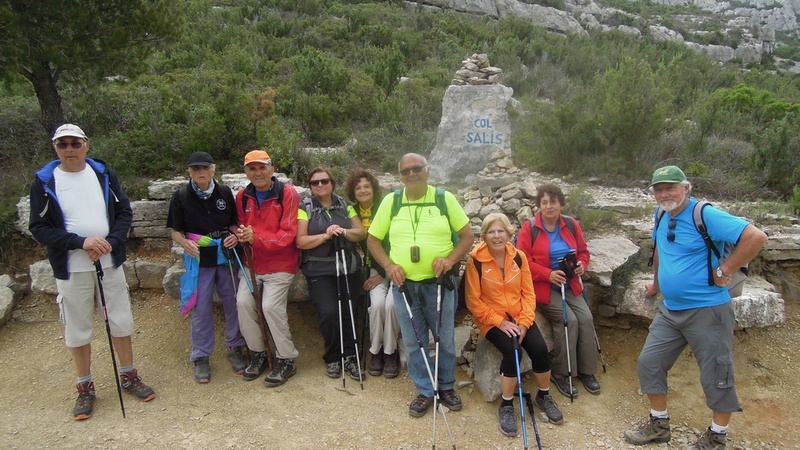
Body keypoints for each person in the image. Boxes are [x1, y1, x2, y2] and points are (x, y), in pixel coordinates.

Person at [624, 166, 768, 449]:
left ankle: (717, 437)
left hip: (708, 310)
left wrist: (726, 268)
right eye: (658, 189)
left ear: (686, 188)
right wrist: (656, 284)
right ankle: (659, 425)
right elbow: (660, 253)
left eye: (670, 188)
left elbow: (757, 237)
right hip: (671, 309)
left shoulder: (705, 214)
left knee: (717, 374)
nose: (664, 194)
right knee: (649, 362)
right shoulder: (661, 213)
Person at [29, 124, 155, 420]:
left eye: (75, 143)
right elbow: (39, 228)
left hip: (109, 262)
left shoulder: (102, 174)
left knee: (120, 320)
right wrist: (79, 242)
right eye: (63, 145)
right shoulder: (45, 181)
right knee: (77, 326)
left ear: (86, 144)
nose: (69, 149)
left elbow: (123, 211)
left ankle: (128, 375)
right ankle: (85, 387)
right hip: (71, 266)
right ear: (55, 148)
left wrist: (110, 242)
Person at [367, 153, 473, 418]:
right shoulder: (392, 202)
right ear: (400, 176)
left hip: (439, 284)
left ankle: (446, 386)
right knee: (414, 342)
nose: (411, 174)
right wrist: (390, 266)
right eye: (405, 171)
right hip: (404, 287)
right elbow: (373, 241)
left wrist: (449, 260)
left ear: (427, 171)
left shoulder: (443, 199)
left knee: (445, 340)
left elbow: (468, 236)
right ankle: (425, 390)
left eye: (417, 169)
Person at [465, 213, 564, 436]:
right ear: (484, 236)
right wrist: (499, 322)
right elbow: (473, 301)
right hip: (491, 319)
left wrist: (525, 322)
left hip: (519, 317)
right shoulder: (475, 260)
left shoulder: (519, 257)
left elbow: (528, 294)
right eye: (491, 231)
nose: (497, 236)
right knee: (513, 351)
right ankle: (507, 405)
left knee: (539, 349)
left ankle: (544, 395)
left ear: (510, 234)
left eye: (501, 231)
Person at [167, 151, 247, 384]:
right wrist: (184, 243)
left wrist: (234, 236)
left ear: (213, 170)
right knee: (201, 306)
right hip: (200, 254)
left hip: (225, 252)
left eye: (204, 168)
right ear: (189, 172)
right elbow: (174, 230)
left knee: (232, 301)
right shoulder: (181, 196)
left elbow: (233, 222)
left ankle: (235, 347)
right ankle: (201, 356)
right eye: (195, 168)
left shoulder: (223, 192)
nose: (200, 172)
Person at [515, 183, 599, 399]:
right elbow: (522, 260)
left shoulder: (571, 225)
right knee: (567, 320)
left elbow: (583, 252)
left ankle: (587, 371)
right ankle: (562, 372)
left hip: (569, 283)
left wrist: (581, 264)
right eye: (544, 202)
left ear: (561, 203)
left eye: (553, 202)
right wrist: (547, 274)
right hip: (543, 287)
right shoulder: (530, 227)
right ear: (539, 206)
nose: (549, 206)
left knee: (586, 318)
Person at [234, 150, 301, 386]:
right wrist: (240, 234)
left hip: (281, 263)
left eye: (262, 167)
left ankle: (286, 358)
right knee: (242, 303)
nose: (258, 172)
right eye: (252, 168)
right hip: (253, 263)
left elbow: (288, 234)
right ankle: (259, 353)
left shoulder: (287, 193)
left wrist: (256, 238)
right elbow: (240, 226)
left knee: (270, 306)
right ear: (246, 173)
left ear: (272, 169)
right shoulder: (242, 196)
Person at [296, 167, 366, 380]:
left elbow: (360, 232)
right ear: (310, 186)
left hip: (347, 267)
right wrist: (326, 236)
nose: (320, 185)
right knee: (328, 312)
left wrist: (343, 231)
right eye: (314, 182)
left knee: (348, 312)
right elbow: (301, 240)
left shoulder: (346, 205)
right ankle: (334, 356)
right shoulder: (304, 207)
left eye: (324, 181)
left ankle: (351, 357)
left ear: (332, 183)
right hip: (320, 270)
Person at [344, 169, 402, 378]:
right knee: (377, 305)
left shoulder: (385, 207)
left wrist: (384, 274)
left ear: (374, 188)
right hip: (372, 268)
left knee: (392, 305)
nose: (362, 190)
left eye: (366, 186)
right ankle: (375, 351)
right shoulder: (351, 212)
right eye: (358, 187)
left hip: (395, 266)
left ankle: (390, 351)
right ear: (353, 191)